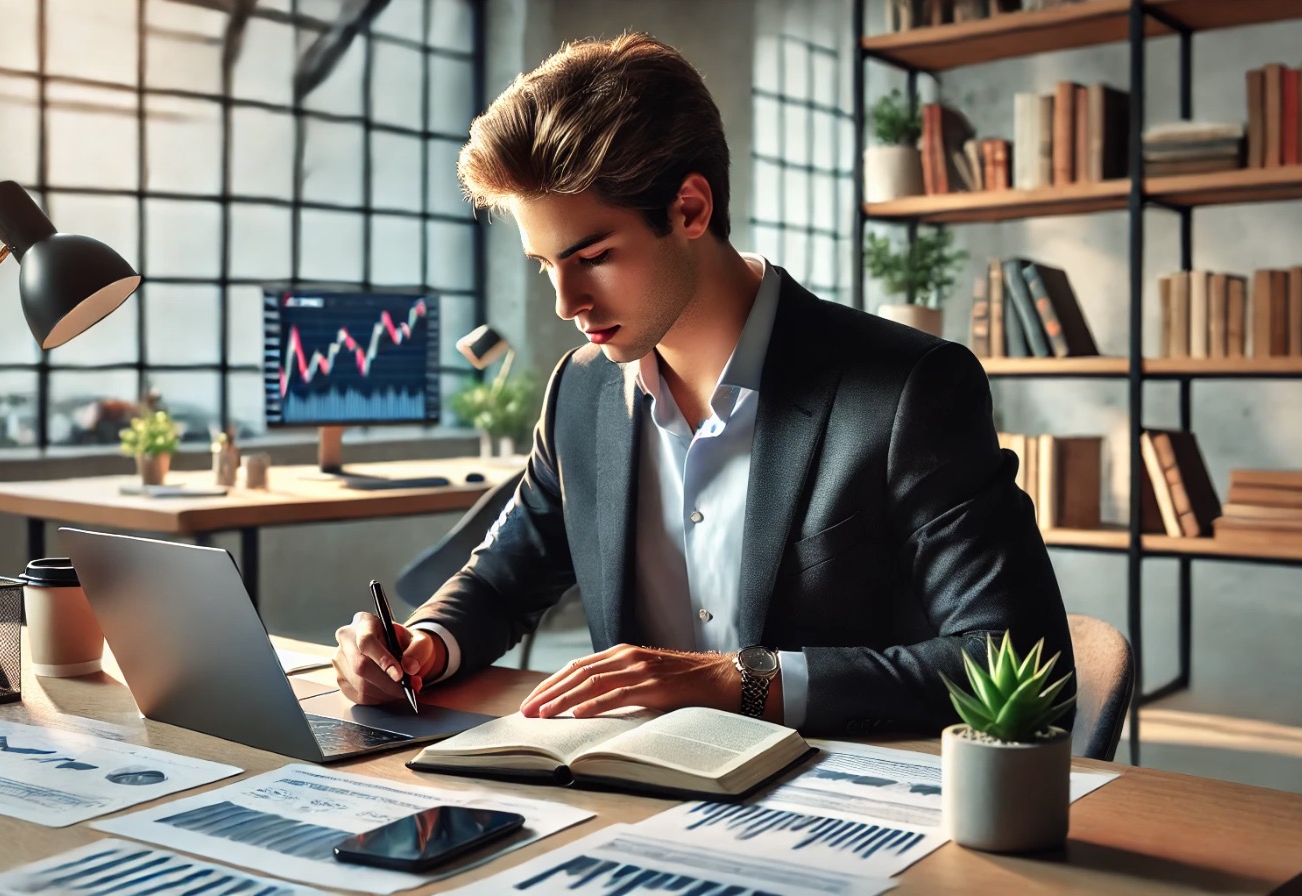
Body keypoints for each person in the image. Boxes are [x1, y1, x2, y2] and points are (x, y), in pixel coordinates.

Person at [333, 33, 1074, 736]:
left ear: (690, 208)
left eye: (592, 257)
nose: (565, 303)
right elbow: (502, 579)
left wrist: (741, 680)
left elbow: (1022, 662)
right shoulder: (582, 392)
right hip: (631, 807)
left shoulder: (907, 391)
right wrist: (423, 642)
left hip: (845, 816)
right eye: (544, 265)